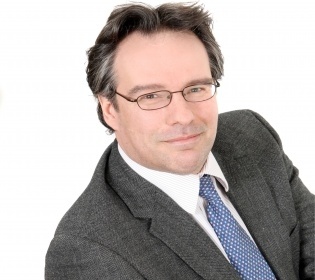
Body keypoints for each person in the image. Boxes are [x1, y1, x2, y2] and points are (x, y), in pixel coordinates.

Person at [45, 2, 314, 279]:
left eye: (196, 88)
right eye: (151, 96)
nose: (183, 117)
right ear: (110, 109)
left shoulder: (251, 136)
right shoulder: (85, 251)